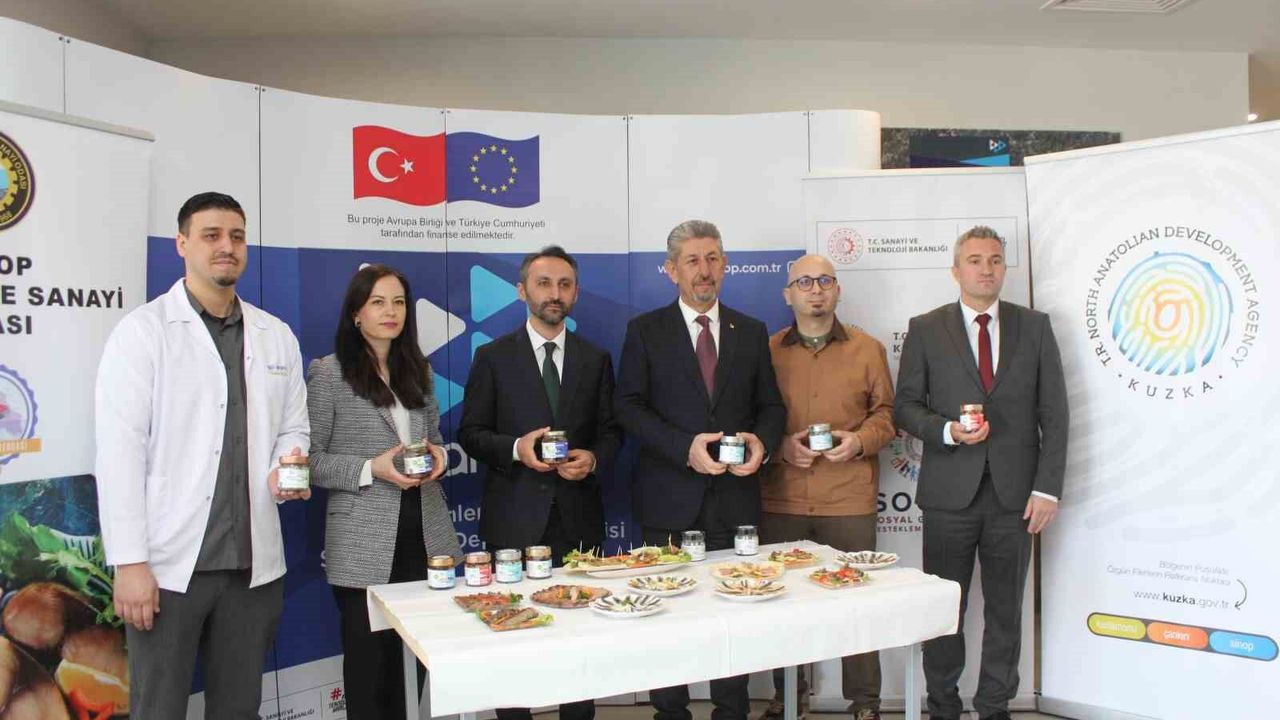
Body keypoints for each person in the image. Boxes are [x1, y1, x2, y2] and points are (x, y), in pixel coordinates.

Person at [94, 191, 310, 718]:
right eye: (211, 235)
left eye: (237, 236)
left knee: (238, 708)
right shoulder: (143, 332)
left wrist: (285, 467)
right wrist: (130, 563)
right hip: (169, 569)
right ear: (182, 243)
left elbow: (293, 426)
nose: (226, 247)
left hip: (252, 568)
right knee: (159, 707)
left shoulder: (275, 335)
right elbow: (120, 454)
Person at [893, 226, 1068, 720]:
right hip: (949, 496)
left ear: (1004, 268)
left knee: (1006, 611)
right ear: (956, 270)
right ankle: (942, 706)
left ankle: (994, 707)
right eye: (974, 260)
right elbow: (905, 407)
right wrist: (947, 431)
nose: (985, 269)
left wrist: (1047, 489)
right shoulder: (926, 328)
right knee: (944, 610)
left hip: (1016, 498)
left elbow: (1055, 414)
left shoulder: (1035, 327)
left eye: (994, 260)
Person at [615, 219, 786, 720]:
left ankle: (731, 712)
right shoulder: (645, 331)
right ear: (672, 270)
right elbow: (627, 407)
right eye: (692, 260)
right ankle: (671, 713)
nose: (704, 270)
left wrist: (762, 444)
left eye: (712, 259)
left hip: (735, 503)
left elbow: (771, 406)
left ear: (725, 265)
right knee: (668, 621)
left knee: (733, 615)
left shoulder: (750, 331)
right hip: (668, 502)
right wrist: (683, 448)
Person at [459, 245, 621, 720]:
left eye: (564, 285)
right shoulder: (492, 357)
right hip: (513, 519)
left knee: (580, 641)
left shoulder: (596, 358)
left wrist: (593, 458)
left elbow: (612, 432)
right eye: (544, 283)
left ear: (576, 293)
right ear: (521, 291)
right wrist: (516, 448)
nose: (555, 293)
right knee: (510, 639)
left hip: (578, 521)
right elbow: (470, 433)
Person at [306, 263, 461, 720]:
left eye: (398, 302)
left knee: (415, 666)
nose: (390, 312)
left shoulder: (419, 370)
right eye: (378, 302)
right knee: (369, 670)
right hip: (363, 543)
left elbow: (434, 440)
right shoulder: (329, 373)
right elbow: (311, 461)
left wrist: (440, 457)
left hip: (425, 534)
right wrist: (370, 468)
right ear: (356, 313)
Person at [758, 255, 895, 720]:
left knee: (858, 602)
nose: (815, 290)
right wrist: (780, 447)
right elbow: (751, 414)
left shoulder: (868, 349)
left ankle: (866, 703)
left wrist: (860, 441)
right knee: (783, 604)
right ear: (788, 294)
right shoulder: (767, 351)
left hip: (848, 499)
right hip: (782, 498)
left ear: (837, 290)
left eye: (824, 281)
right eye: (804, 282)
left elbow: (887, 414)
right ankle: (789, 698)